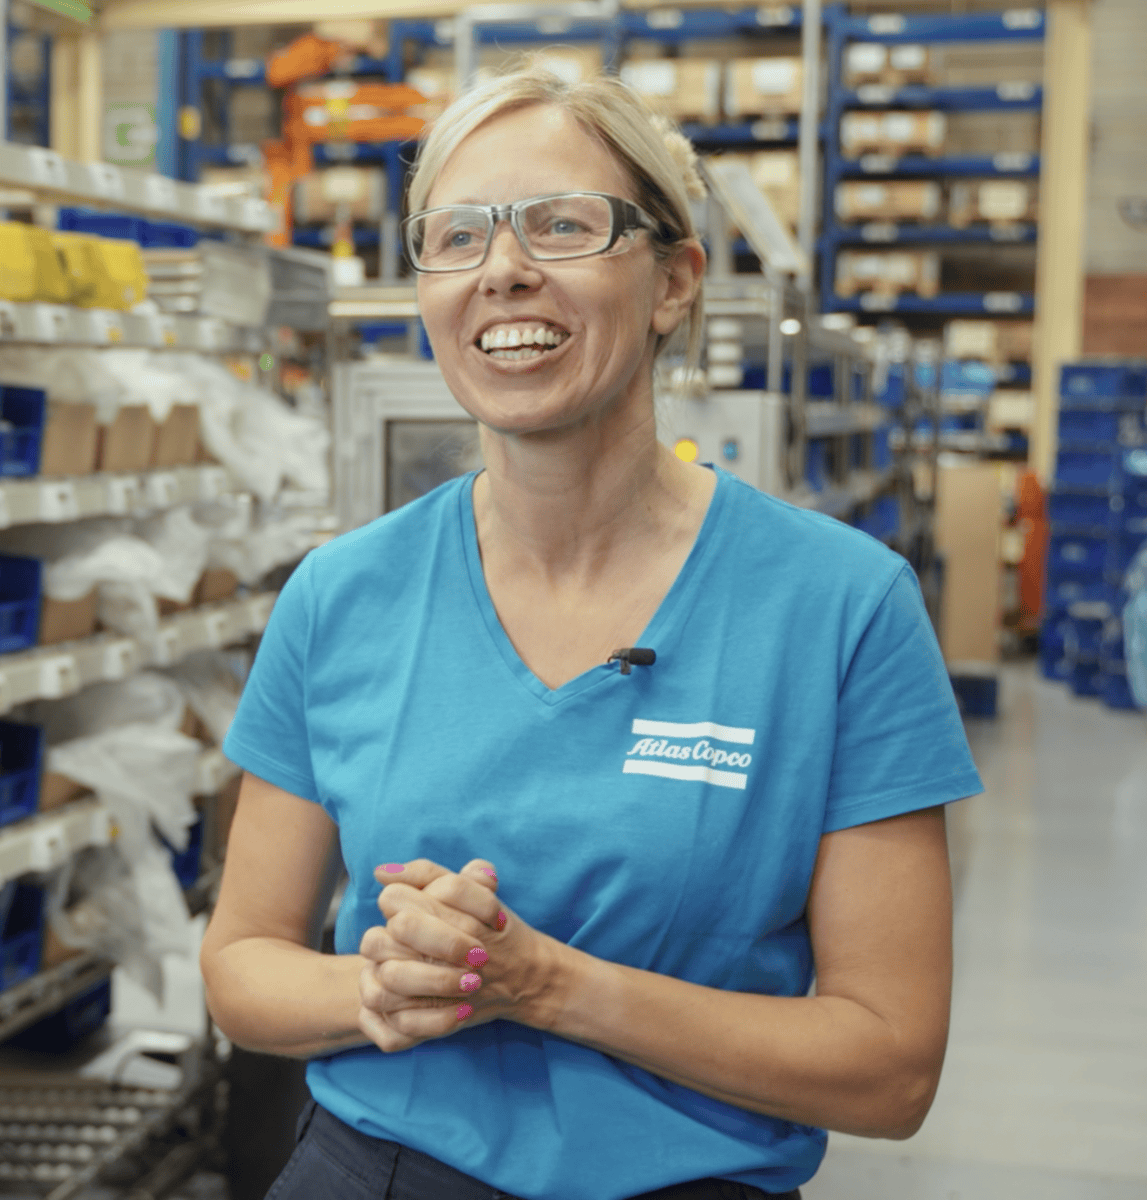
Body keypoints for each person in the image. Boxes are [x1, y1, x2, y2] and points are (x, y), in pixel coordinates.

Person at [200, 63, 983, 1200]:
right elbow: (241, 967)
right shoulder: (340, 594)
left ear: (673, 281)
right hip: (370, 1172)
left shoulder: (838, 608)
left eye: (561, 226)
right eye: (455, 236)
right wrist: (383, 985)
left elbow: (889, 1067)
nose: (503, 271)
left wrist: (547, 985)